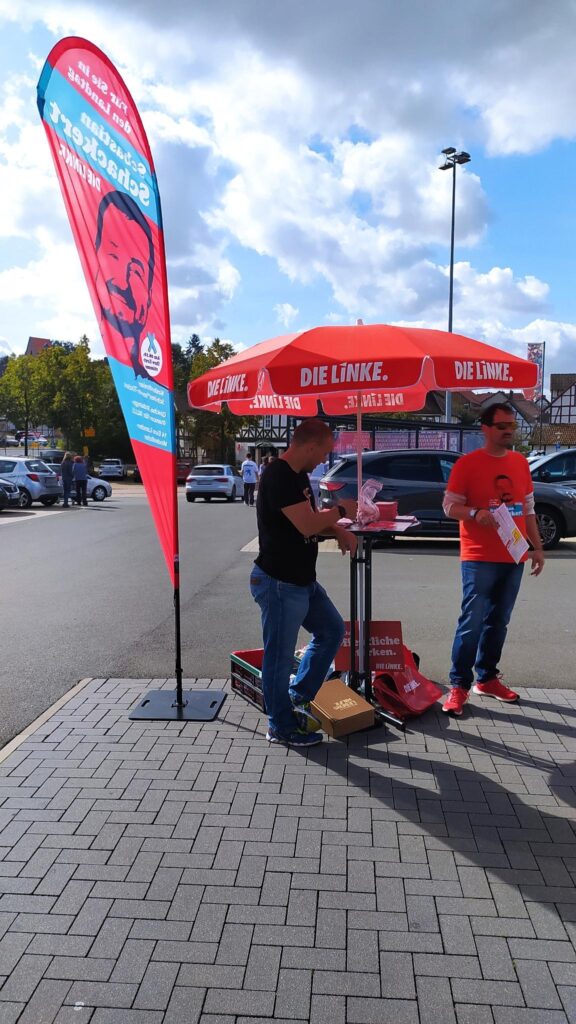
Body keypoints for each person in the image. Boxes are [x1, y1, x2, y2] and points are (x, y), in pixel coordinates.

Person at [250, 418, 358, 747]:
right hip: (280, 582)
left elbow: (306, 523)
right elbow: (308, 524)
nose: (323, 460)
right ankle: (279, 725)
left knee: (331, 631)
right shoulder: (278, 476)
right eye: (324, 452)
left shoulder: (296, 476)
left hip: (301, 580)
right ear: (310, 446)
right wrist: (340, 511)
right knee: (279, 657)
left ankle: (296, 696)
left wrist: (337, 530)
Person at [442, 402, 545, 716]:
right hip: (479, 555)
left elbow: (527, 510)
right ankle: (459, 685)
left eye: (511, 426)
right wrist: (475, 512)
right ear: (485, 428)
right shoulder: (468, 464)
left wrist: (537, 548)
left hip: (513, 555)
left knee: (498, 622)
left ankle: (486, 678)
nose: (508, 431)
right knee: (471, 622)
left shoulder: (519, 463)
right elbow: (449, 507)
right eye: (502, 426)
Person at [94, 190, 155, 380]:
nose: (122, 280)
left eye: (136, 270)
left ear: (150, 296)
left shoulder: (155, 391)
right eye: (112, 257)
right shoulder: (94, 369)